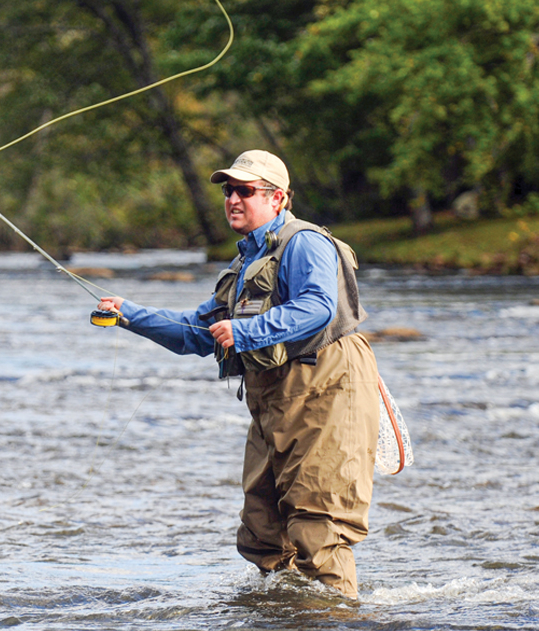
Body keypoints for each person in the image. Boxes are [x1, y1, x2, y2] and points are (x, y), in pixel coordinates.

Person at [98, 149, 380, 598]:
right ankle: (285, 627)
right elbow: (196, 332)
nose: (233, 198)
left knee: (317, 528)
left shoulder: (304, 243)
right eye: (229, 190)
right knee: (262, 531)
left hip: (327, 391)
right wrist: (129, 314)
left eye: (245, 190)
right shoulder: (244, 263)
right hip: (275, 401)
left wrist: (247, 330)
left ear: (278, 198)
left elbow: (318, 308)